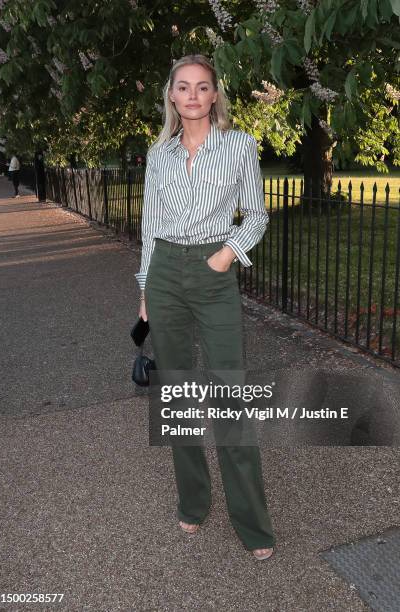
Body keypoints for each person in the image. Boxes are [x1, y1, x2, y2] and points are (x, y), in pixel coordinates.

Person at [135, 54, 276, 560]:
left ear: (215, 95)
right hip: (167, 270)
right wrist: (146, 288)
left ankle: (252, 525)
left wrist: (224, 256)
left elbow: (256, 216)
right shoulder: (160, 154)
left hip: (213, 274)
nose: (192, 95)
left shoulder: (239, 146)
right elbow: (150, 224)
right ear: (171, 96)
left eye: (202, 87)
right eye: (183, 87)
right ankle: (193, 501)